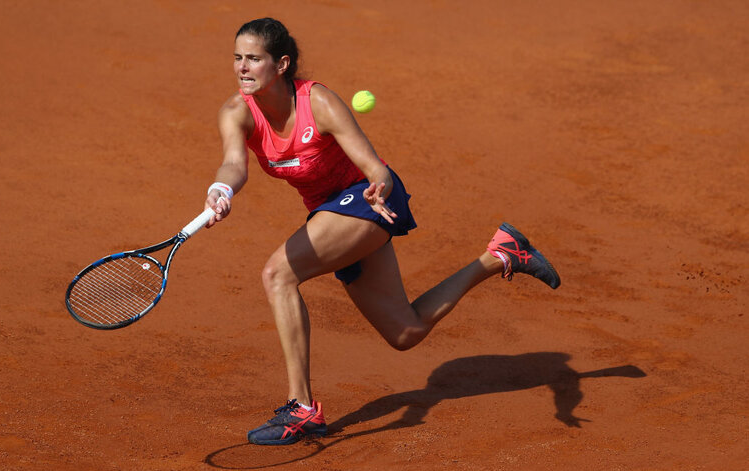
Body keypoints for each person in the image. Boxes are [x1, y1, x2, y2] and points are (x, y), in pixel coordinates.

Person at [203, 18, 560, 446]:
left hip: (370, 200)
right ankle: (501, 254)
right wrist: (221, 189)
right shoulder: (237, 112)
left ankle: (301, 409)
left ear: (280, 64)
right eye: (238, 58)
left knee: (278, 274)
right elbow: (233, 165)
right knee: (404, 332)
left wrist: (377, 187)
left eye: (254, 59)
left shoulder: (319, 103)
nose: (242, 67)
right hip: (330, 214)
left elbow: (374, 168)